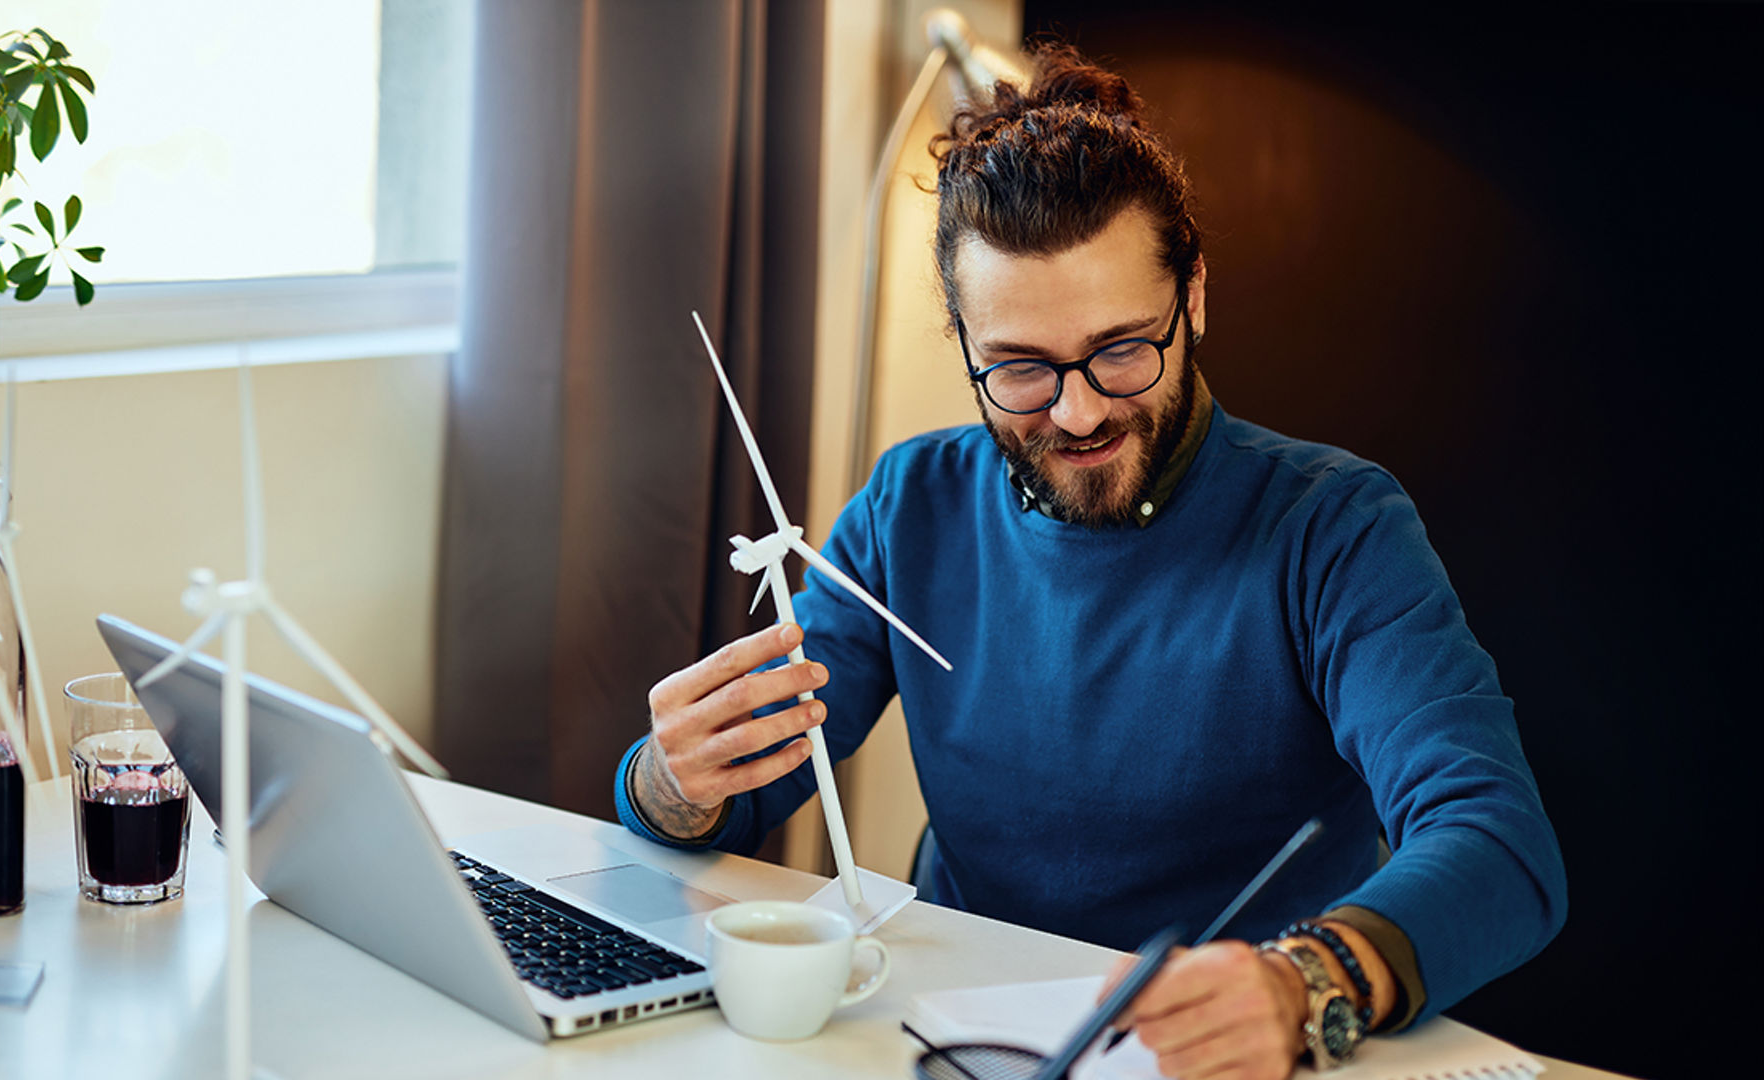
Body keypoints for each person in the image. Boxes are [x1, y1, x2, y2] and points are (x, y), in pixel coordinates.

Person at [613, 44, 1565, 1080]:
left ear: (1192, 295)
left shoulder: (1332, 526)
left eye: (1121, 349)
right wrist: (675, 779)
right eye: (1020, 368)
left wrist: (1309, 982)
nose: (1077, 411)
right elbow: (740, 791)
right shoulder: (911, 504)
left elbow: (1499, 845)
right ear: (965, 343)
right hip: (960, 1037)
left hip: (1224, 1051)